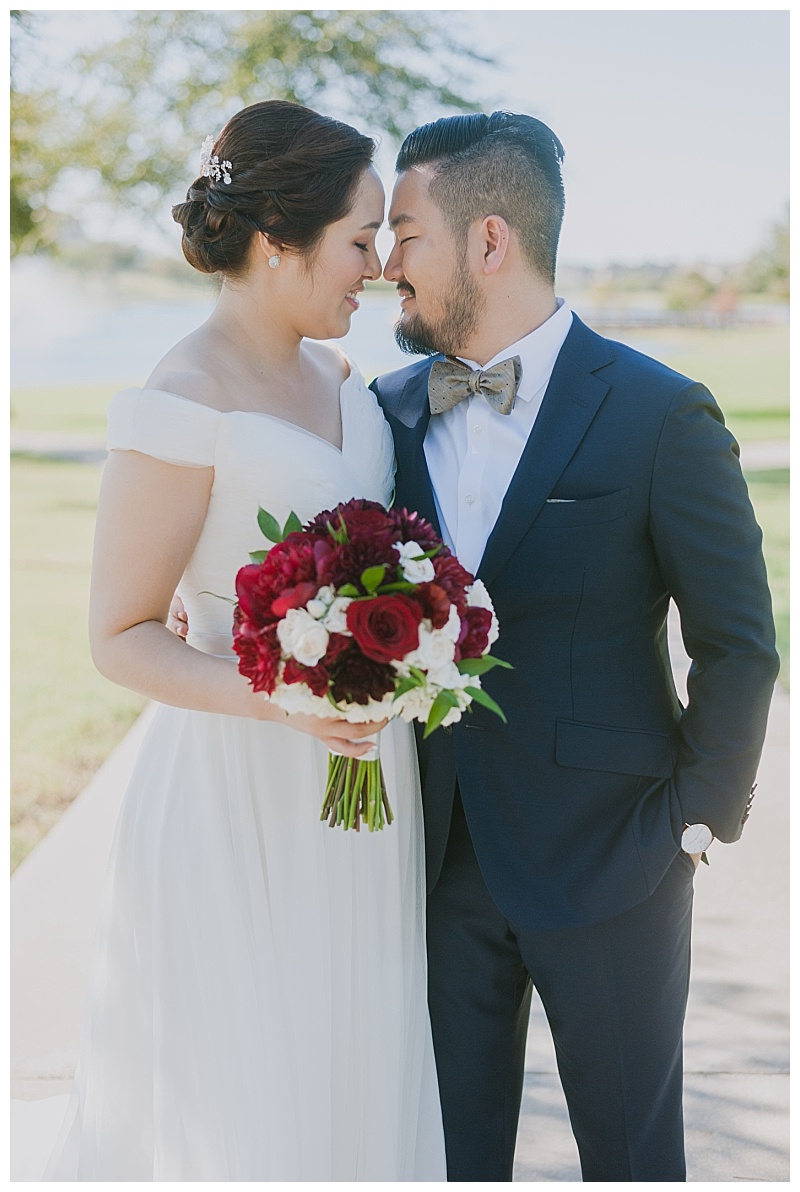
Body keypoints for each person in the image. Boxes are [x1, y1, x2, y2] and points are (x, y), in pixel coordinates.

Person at [31, 100, 446, 1181]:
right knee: (245, 1086)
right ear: (276, 241)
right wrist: (282, 701)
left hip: (366, 784)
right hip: (236, 786)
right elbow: (119, 635)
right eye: (359, 240)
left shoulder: (343, 383)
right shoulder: (181, 396)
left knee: (350, 1054)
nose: (377, 266)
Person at [366, 111, 779, 1181]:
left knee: (633, 1159)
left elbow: (738, 643)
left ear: (486, 240)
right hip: (438, 863)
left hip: (617, 866)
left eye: (404, 233)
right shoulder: (385, 415)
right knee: (448, 1159)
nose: (382, 261)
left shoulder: (658, 412)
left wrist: (694, 823)